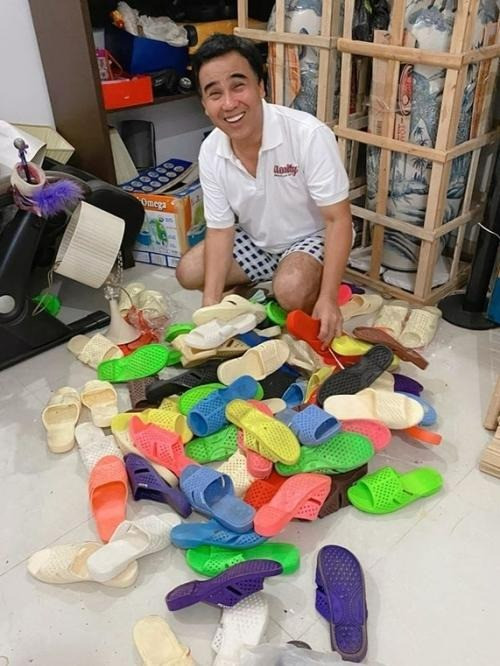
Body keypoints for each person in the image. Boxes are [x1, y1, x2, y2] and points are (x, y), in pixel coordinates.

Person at [176, 33, 353, 344]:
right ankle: (253, 288)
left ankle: (308, 285)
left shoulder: (308, 134)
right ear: (204, 105)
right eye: (215, 94)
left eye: (238, 86)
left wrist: (328, 299)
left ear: (261, 87)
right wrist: (210, 307)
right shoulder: (211, 150)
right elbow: (220, 229)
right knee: (188, 271)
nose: (229, 103)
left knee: (291, 290)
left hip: (311, 235)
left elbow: (338, 219)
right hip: (258, 240)